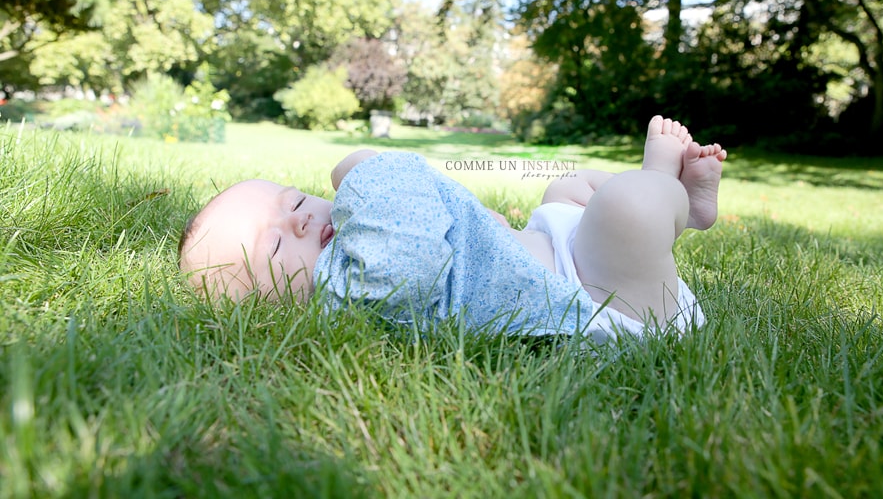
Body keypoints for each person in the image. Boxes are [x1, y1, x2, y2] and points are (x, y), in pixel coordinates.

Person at [178, 116, 726, 343]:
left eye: (293, 201)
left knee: (567, 189)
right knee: (627, 205)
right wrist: (359, 164)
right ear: (272, 309)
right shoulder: (357, 290)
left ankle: (684, 214)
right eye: (275, 244)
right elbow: (406, 242)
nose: (299, 218)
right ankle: (661, 180)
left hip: (561, 254)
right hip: (602, 303)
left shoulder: (359, 237)